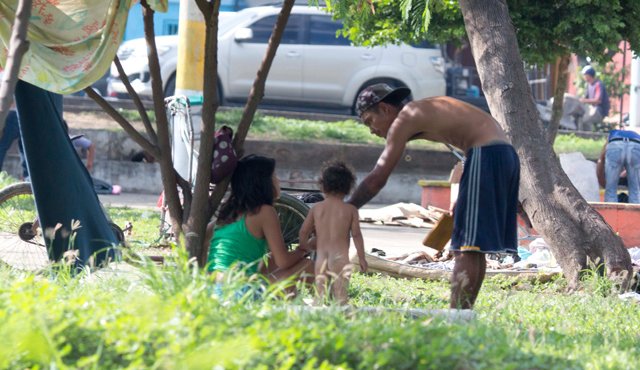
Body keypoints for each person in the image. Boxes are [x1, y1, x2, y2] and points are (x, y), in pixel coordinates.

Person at [347, 83, 520, 310]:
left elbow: (378, 176)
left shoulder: (405, 117)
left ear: (386, 109)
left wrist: (347, 208)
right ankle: (462, 313)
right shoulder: (423, 111)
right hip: (502, 155)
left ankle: (457, 314)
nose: (372, 130)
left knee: (466, 247)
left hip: (486, 155)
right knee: (473, 246)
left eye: (370, 120)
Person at [207, 155, 314, 289]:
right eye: (274, 176)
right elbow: (284, 261)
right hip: (239, 292)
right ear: (263, 182)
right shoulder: (265, 212)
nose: (278, 180)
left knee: (270, 259)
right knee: (307, 266)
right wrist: (303, 249)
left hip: (213, 290)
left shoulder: (226, 213)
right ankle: (332, 303)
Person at [298, 160, 368, 305]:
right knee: (341, 297)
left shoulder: (317, 208)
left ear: (323, 186)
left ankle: (318, 318)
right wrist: (362, 258)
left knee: (320, 296)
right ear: (349, 188)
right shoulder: (350, 210)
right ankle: (341, 318)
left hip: (321, 259)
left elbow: (304, 231)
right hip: (340, 258)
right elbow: (356, 235)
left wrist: (304, 247)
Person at [596, 128, 640, 203]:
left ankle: (610, 213)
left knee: (610, 190)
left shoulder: (612, 135)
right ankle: (636, 213)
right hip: (636, 144)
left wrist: (605, 183)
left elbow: (601, 159)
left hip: (615, 143)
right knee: (635, 190)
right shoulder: (634, 134)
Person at [578, 65, 610, 132]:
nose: (584, 77)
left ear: (589, 75)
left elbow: (598, 100)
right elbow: (585, 98)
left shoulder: (598, 84)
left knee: (584, 120)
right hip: (592, 109)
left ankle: (586, 136)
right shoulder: (589, 85)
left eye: (585, 75)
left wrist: (584, 100)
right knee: (578, 116)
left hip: (599, 111)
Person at [0, 109, 29, 180]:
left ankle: (30, 185)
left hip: (9, 110)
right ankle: (30, 185)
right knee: (30, 161)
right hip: (31, 113)